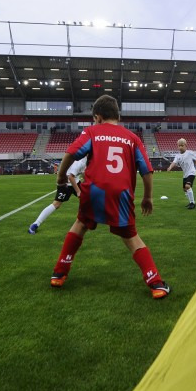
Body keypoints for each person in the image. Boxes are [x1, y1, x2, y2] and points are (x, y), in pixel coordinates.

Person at [48, 95, 170, 299]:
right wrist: (147, 197)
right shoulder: (132, 138)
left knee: (80, 224)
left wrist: (61, 178)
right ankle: (156, 283)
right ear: (118, 116)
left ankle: (59, 273)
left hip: (93, 189)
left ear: (97, 117)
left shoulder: (92, 132)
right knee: (131, 238)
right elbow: (147, 171)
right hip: (120, 193)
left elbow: (71, 153)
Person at [28, 156, 87, 234]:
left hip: (75, 181)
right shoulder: (80, 160)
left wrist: (88, 181)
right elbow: (70, 177)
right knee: (56, 204)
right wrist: (78, 191)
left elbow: (82, 172)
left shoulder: (84, 158)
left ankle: (86, 219)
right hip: (66, 183)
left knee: (87, 199)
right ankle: (35, 224)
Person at [166, 138, 196, 209]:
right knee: (184, 189)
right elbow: (174, 162)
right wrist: (170, 167)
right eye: (179, 146)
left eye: (182, 145)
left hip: (191, 172)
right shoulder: (177, 156)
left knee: (187, 186)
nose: (180, 147)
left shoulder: (190, 153)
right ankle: (190, 202)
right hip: (185, 174)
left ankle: (192, 203)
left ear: (186, 145)